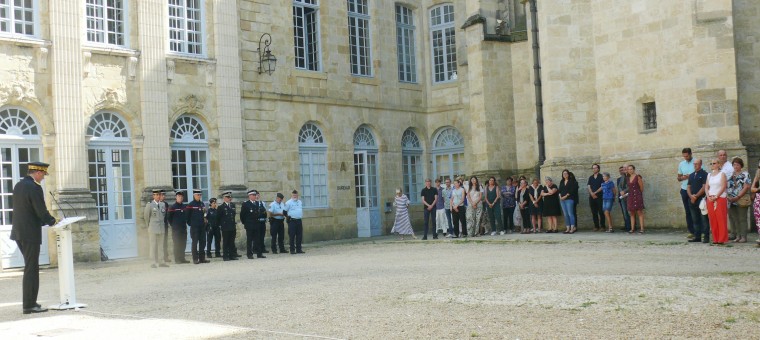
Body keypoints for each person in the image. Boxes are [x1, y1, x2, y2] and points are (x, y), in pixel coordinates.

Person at [10, 162, 56, 314]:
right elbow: (40, 210)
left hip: (19, 232)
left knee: (30, 267)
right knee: (32, 268)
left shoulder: (18, 185)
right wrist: (53, 221)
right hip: (30, 233)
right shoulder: (34, 188)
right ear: (37, 172)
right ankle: (29, 304)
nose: (43, 178)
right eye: (43, 175)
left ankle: (29, 303)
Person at [726, 157, 751, 243]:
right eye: (734, 164)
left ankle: (743, 236)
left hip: (741, 198)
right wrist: (729, 197)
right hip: (731, 200)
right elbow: (727, 186)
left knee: (742, 218)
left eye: (738, 164)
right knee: (735, 218)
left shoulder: (745, 174)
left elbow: (746, 187)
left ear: (741, 165)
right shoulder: (730, 175)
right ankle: (738, 235)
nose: (736, 166)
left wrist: (737, 197)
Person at [705, 158, 729, 245]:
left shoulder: (722, 174)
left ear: (719, 164)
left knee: (721, 218)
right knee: (712, 219)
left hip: (720, 198)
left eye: (714, 163)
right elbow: (706, 187)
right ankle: (715, 238)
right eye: (711, 163)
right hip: (710, 198)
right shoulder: (709, 175)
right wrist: (708, 196)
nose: (712, 165)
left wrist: (717, 196)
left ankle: (721, 239)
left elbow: (723, 186)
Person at [143, 189, 169, 268]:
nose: (158, 196)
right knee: (153, 245)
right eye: (156, 195)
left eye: (159, 195)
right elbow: (146, 217)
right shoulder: (149, 205)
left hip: (161, 228)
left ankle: (161, 261)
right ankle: (153, 262)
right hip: (153, 228)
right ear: (153, 196)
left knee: (161, 245)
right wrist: (149, 226)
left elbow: (163, 215)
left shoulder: (163, 204)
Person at [687, 158, 710, 243]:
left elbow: (704, 187)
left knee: (704, 219)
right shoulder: (692, 175)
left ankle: (706, 237)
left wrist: (696, 196)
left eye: (696, 164)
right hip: (692, 200)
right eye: (694, 164)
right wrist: (691, 196)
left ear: (700, 164)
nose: (695, 165)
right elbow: (688, 187)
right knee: (695, 219)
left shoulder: (704, 174)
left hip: (701, 200)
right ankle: (697, 236)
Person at [240, 189, 266, 259]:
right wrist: (245, 223)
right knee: (249, 240)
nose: (255, 196)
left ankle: (259, 253)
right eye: (253, 195)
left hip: (257, 224)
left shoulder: (257, 203)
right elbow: (242, 215)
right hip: (249, 224)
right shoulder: (246, 204)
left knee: (258, 239)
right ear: (249, 196)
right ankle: (249, 254)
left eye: (255, 195)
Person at [186, 189, 209, 264]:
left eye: (200, 195)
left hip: (202, 226)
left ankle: (202, 258)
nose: (199, 196)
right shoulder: (191, 204)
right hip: (195, 227)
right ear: (194, 195)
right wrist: (191, 224)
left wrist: (205, 221)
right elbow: (187, 216)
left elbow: (205, 214)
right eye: (197, 195)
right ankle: (195, 259)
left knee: (203, 242)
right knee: (195, 243)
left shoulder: (202, 204)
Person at [677, 148, 695, 239]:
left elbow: (704, 174)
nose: (685, 158)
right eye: (684, 156)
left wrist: (691, 176)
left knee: (696, 210)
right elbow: (678, 178)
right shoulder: (681, 164)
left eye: (687, 156)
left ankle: (700, 230)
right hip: (684, 189)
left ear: (691, 154)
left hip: (694, 189)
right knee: (688, 211)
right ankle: (691, 231)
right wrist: (684, 177)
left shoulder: (697, 162)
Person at [167, 190, 189, 263]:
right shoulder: (172, 207)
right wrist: (173, 225)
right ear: (176, 197)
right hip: (176, 229)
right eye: (179, 196)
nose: (180, 198)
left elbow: (186, 216)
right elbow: (169, 218)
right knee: (177, 244)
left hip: (183, 228)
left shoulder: (184, 206)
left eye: (181, 197)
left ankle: (182, 258)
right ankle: (177, 259)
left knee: (183, 244)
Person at [218, 192, 238, 261]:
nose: (230, 198)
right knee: (226, 242)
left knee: (232, 242)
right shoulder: (221, 207)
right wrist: (221, 225)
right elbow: (218, 218)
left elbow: (233, 215)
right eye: (228, 197)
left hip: (232, 226)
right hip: (225, 227)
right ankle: (225, 256)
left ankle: (232, 255)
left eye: (230, 197)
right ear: (224, 198)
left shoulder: (232, 205)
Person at [283, 190, 305, 254]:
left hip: (299, 220)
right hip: (292, 221)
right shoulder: (288, 202)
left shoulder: (300, 202)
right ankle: (292, 250)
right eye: (293, 195)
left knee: (299, 235)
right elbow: (284, 212)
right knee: (292, 236)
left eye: (296, 195)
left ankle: (299, 249)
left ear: (297, 195)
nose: (295, 196)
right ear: (291, 195)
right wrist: (287, 217)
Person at [626, 165, 645, 234]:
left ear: (634, 169)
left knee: (639, 212)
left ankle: (642, 229)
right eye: (628, 169)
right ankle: (632, 229)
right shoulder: (628, 178)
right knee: (632, 213)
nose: (630, 170)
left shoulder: (638, 177)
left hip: (637, 196)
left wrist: (638, 194)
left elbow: (641, 188)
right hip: (630, 196)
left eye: (631, 169)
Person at [587, 163, 605, 231]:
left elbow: (602, 186)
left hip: (600, 196)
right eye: (593, 168)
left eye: (595, 168)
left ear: (598, 169)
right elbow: (588, 186)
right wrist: (592, 193)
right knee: (594, 212)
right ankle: (596, 226)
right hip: (591, 197)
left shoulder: (601, 176)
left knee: (601, 212)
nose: (594, 169)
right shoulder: (591, 177)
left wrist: (595, 192)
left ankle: (603, 226)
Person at [559, 169, 577, 234]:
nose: (565, 175)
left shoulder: (571, 181)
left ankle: (572, 228)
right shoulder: (562, 181)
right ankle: (567, 228)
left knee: (570, 214)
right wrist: (560, 197)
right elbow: (560, 190)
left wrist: (565, 196)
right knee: (565, 214)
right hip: (562, 200)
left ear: (568, 174)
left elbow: (572, 190)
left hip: (569, 199)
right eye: (563, 174)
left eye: (566, 173)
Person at [616, 165, 631, 232]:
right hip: (622, 197)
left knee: (631, 212)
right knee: (625, 212)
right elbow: (619, 186)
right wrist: (621, 191)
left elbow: (630, 186)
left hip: (629, 196)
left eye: (625, 169)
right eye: (621, 170)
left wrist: (624, 191)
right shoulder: (621, 177)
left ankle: (632, 226)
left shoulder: (630, 176)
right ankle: (627, 226)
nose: (623, 170)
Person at [750, 160, 760, 245]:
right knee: (758, 219)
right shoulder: (757, 176)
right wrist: (758, 189)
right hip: (758, 199)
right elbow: (752, 188)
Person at [160, 190, 171, 263]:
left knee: (165, 242)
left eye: (164, 195)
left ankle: (165, 257)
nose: (164, 196)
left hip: (165, 225)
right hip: (159, 226)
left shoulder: (166, 204)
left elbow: (167, 215)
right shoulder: (156, 204)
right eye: (162, 195)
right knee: (159, 242)